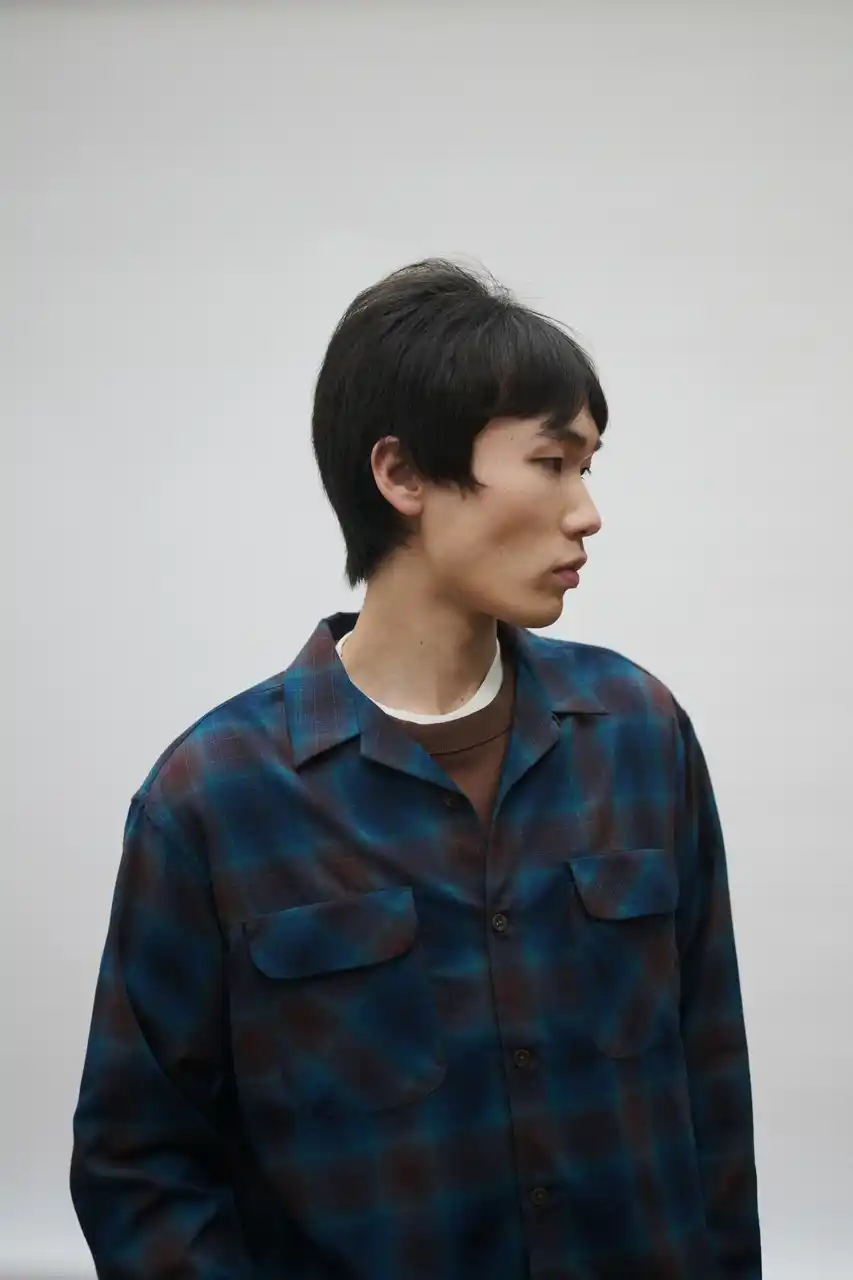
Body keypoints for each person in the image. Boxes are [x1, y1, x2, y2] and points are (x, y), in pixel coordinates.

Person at [70, 260, 761, 1278]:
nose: (587, 511)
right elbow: (139, 1165)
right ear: (401, 476)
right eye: (552, 461)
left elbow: (711, 1084)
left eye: (588, 466)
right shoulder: (213, 798)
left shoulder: (638, 736)